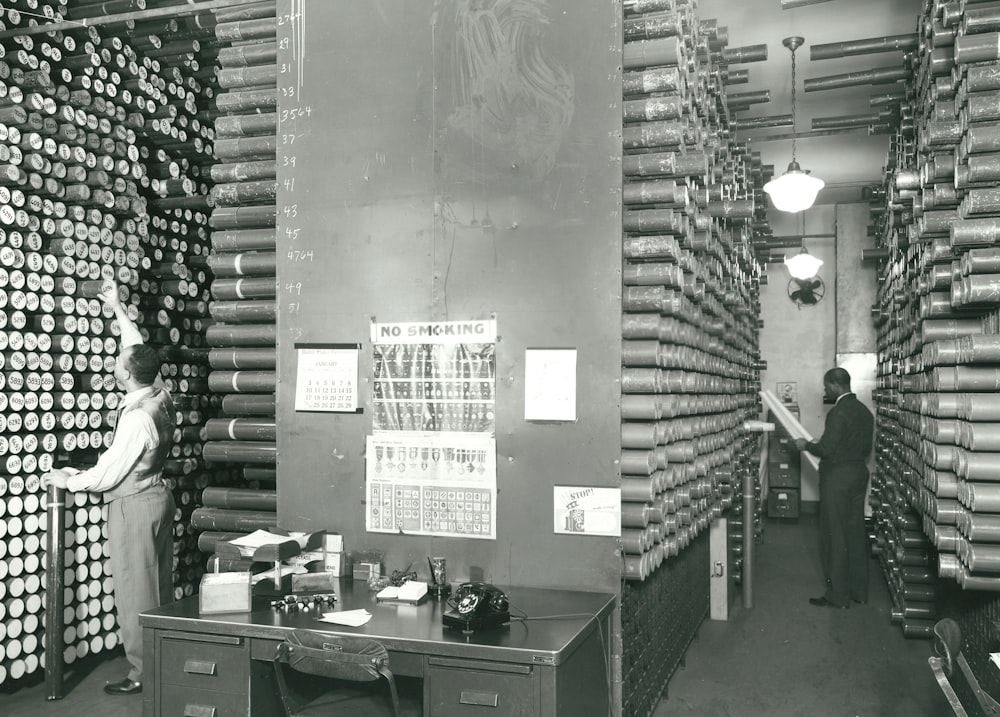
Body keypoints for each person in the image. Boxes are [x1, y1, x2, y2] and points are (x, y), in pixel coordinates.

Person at [42, 281, 176, 695]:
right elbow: (137, 346)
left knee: (136, 591)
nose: (115, 364)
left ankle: (142, 674)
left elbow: (107, 473)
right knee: (159, 586)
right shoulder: (161, 394)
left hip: (132, 505)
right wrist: (117, 308)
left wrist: (69, 479)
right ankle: (166, 660)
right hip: (160, 498)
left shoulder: (136, 420)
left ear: (125, 373)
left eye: (119, 362)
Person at [793, 367, 874, 609]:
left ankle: (838, 595)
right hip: (858, 475)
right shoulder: (864, 412)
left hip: (837, 480)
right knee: (855, 533)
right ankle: (859, 591)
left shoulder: (837, 413)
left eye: (827, 386)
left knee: (834, 534)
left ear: (836, 385)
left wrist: (805, 445)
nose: (825, 390)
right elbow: (863, 449)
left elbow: (827, 450)